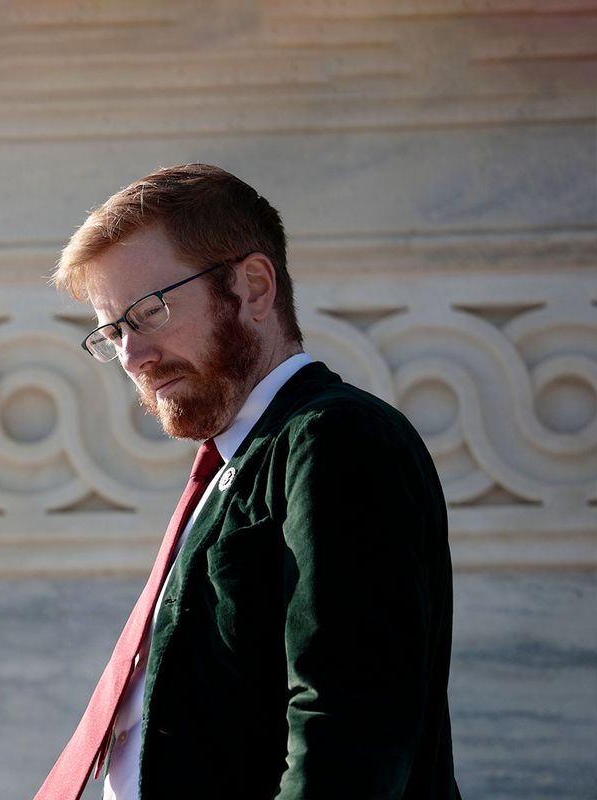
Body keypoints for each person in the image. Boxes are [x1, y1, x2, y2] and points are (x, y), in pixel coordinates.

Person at [34, 164, 461, 799]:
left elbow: (344, 729)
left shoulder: (336, 439)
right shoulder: (245, 457)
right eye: (113, 331)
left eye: (149, 312)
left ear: (254, 288)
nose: (132, 355)